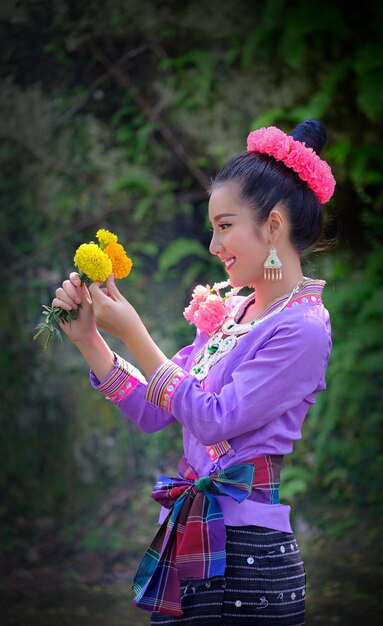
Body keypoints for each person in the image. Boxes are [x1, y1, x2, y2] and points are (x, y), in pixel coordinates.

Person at [52, 118, 335, 625]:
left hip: (250, 554)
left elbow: (212, 419)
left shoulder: (303, 328)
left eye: (225, 226)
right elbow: (155, 410)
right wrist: (91, 340)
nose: (213, 245)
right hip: (195, 535)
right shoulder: (230, 312)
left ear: (273, 225)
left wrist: (135, 333)